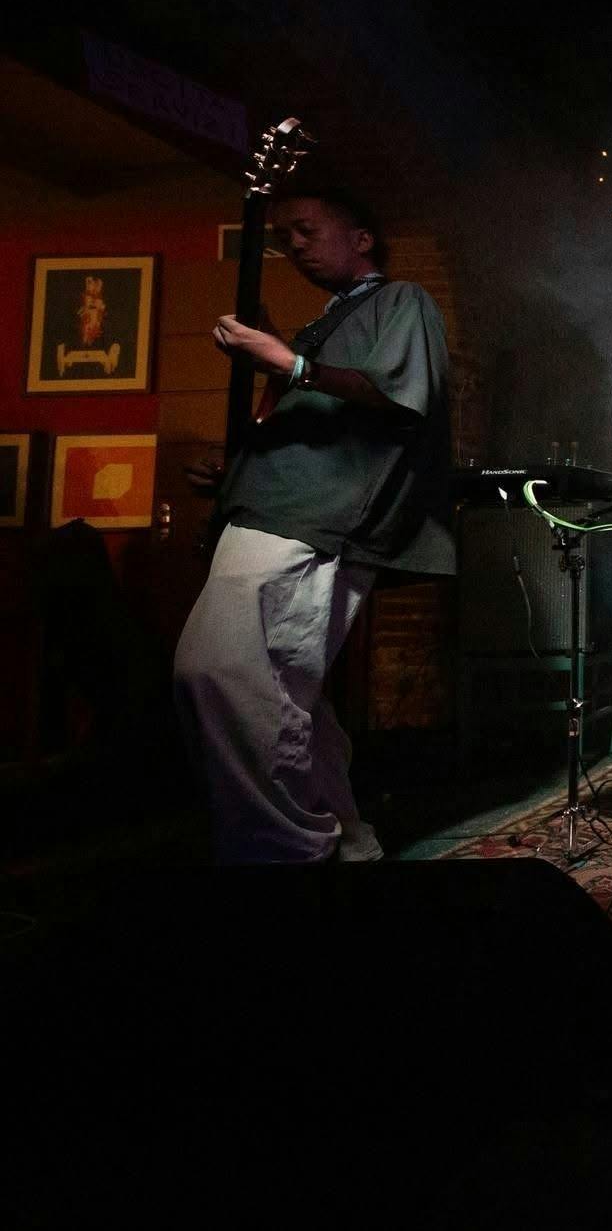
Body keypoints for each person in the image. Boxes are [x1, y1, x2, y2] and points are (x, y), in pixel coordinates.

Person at [174, 185, 454, 864]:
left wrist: (291, 362)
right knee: (278, 691)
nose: (294, 246)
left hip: (313, 519)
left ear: (361, 238)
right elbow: (303, 417)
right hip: (274, 509)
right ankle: (343, 838)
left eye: (306, 229)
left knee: (216, 671)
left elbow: (398, 398)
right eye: (284, 238)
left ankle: (289, 849)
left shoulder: (402, 301)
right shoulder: (320, 326)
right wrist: (235, 467)